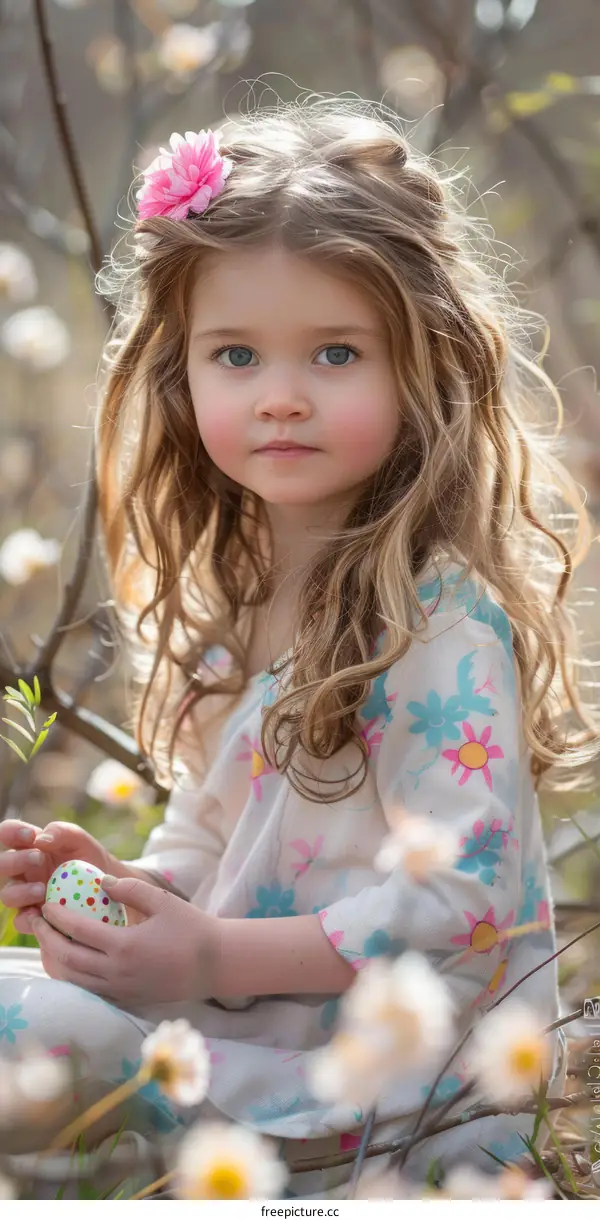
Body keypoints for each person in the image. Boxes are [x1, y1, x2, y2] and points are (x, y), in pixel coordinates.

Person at [0, 96, 598, 1198]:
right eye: (236, 354)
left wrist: (211, 957)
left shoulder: (439, 622)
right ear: (181, 375)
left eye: (334, 351)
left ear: (428, 363)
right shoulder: (245, 597)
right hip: (243, 1038)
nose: (280, 397)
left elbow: (465, 900)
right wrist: (126, 897)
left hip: (385, 1099)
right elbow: (210, 834)